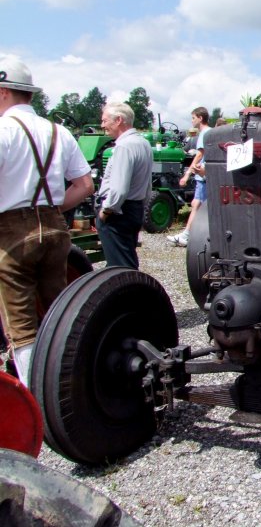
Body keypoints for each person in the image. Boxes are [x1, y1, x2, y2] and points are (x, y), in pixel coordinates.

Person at [0, 57, 94, 387]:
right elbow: (85, 185)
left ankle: (34, 397)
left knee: (20, 321)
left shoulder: (3, 131)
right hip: (55, 228)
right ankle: (69, 382)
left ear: (3, 93)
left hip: (11, 231)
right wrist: (52, 207)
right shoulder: (60, 132)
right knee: (57, 311)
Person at [96, 102, 153, 269]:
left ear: (119, 120)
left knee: (119, 267)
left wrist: (106, 211)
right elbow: (147, 183)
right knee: (126, 260)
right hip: (133, 209)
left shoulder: (124, 146)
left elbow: (119, 188)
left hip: (118, 213)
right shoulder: (143, 143)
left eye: (105, 120)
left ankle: (131, 294)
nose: (102, 125)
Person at [168, 107, 212, 247]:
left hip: (202, 175)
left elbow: (199, 155)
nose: (191, 121)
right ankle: (190, 233)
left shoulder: (204, 134)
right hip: (204, 174)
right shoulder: (209, 132)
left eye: (193, 118)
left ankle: (188, 234)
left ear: (200, 118)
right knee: (197, 204)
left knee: (197, 204)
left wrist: (187, 174)